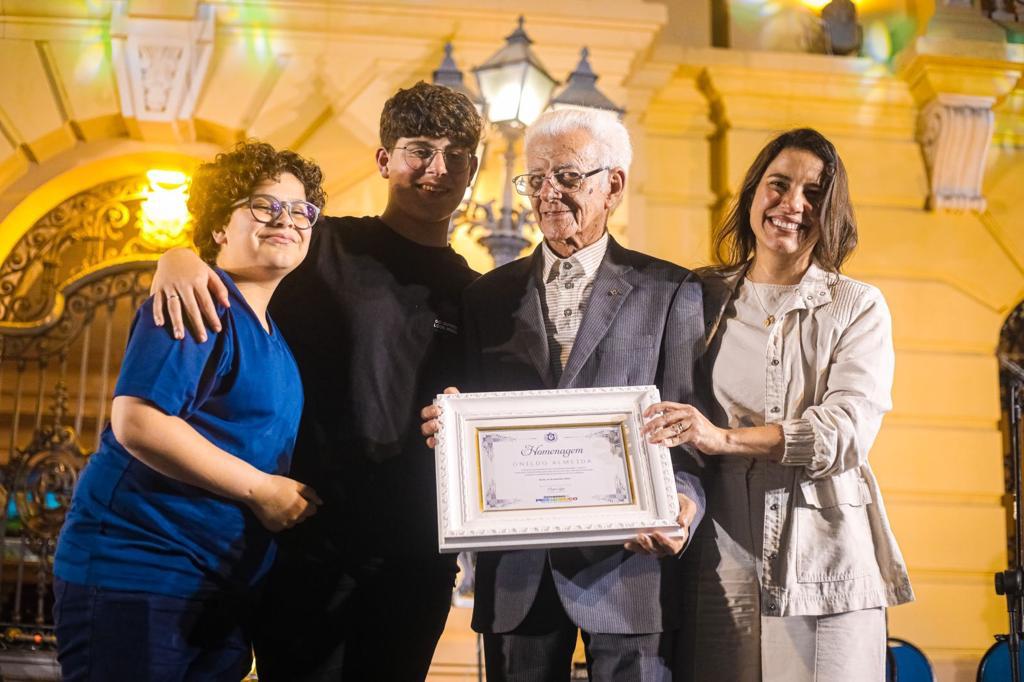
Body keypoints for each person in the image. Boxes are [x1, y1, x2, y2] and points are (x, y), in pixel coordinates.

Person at [149, 81, 484, 681]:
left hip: (416, 553)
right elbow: (231, 254)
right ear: (384, 160)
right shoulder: (320, 242)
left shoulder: (476, 293)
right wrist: (176, 257)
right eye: (419, 150)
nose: (439, 169)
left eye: (457, 154)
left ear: (474, 169)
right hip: (303, 538)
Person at [421, 108, 706, 682]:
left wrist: (684, 506)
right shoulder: (484, 297)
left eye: (569, 177)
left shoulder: (671, 291)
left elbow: (689, 433)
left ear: (613, 186)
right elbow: (471, 424)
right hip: (517, 578)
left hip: (632, 569)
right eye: (536, 179)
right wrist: (447, 434)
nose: (548, 194)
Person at [640, 128, 914, 681]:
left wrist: (722, 439)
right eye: (779, 185)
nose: (793, 205)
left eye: (814, 194)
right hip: (716, 560)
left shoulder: (857, 306)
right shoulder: (699, 295)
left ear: (830, 212)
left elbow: (844, 433)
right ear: (752, 195)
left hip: (824, 560)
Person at [52, 140, 326, 680]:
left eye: (301, 211)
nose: (286, 220)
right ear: (220, 227)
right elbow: (138, 422)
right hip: (139, 575)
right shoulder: (199, 299)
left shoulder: (273, 332)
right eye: (265, 205)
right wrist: (262, 489)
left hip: (213, 589)